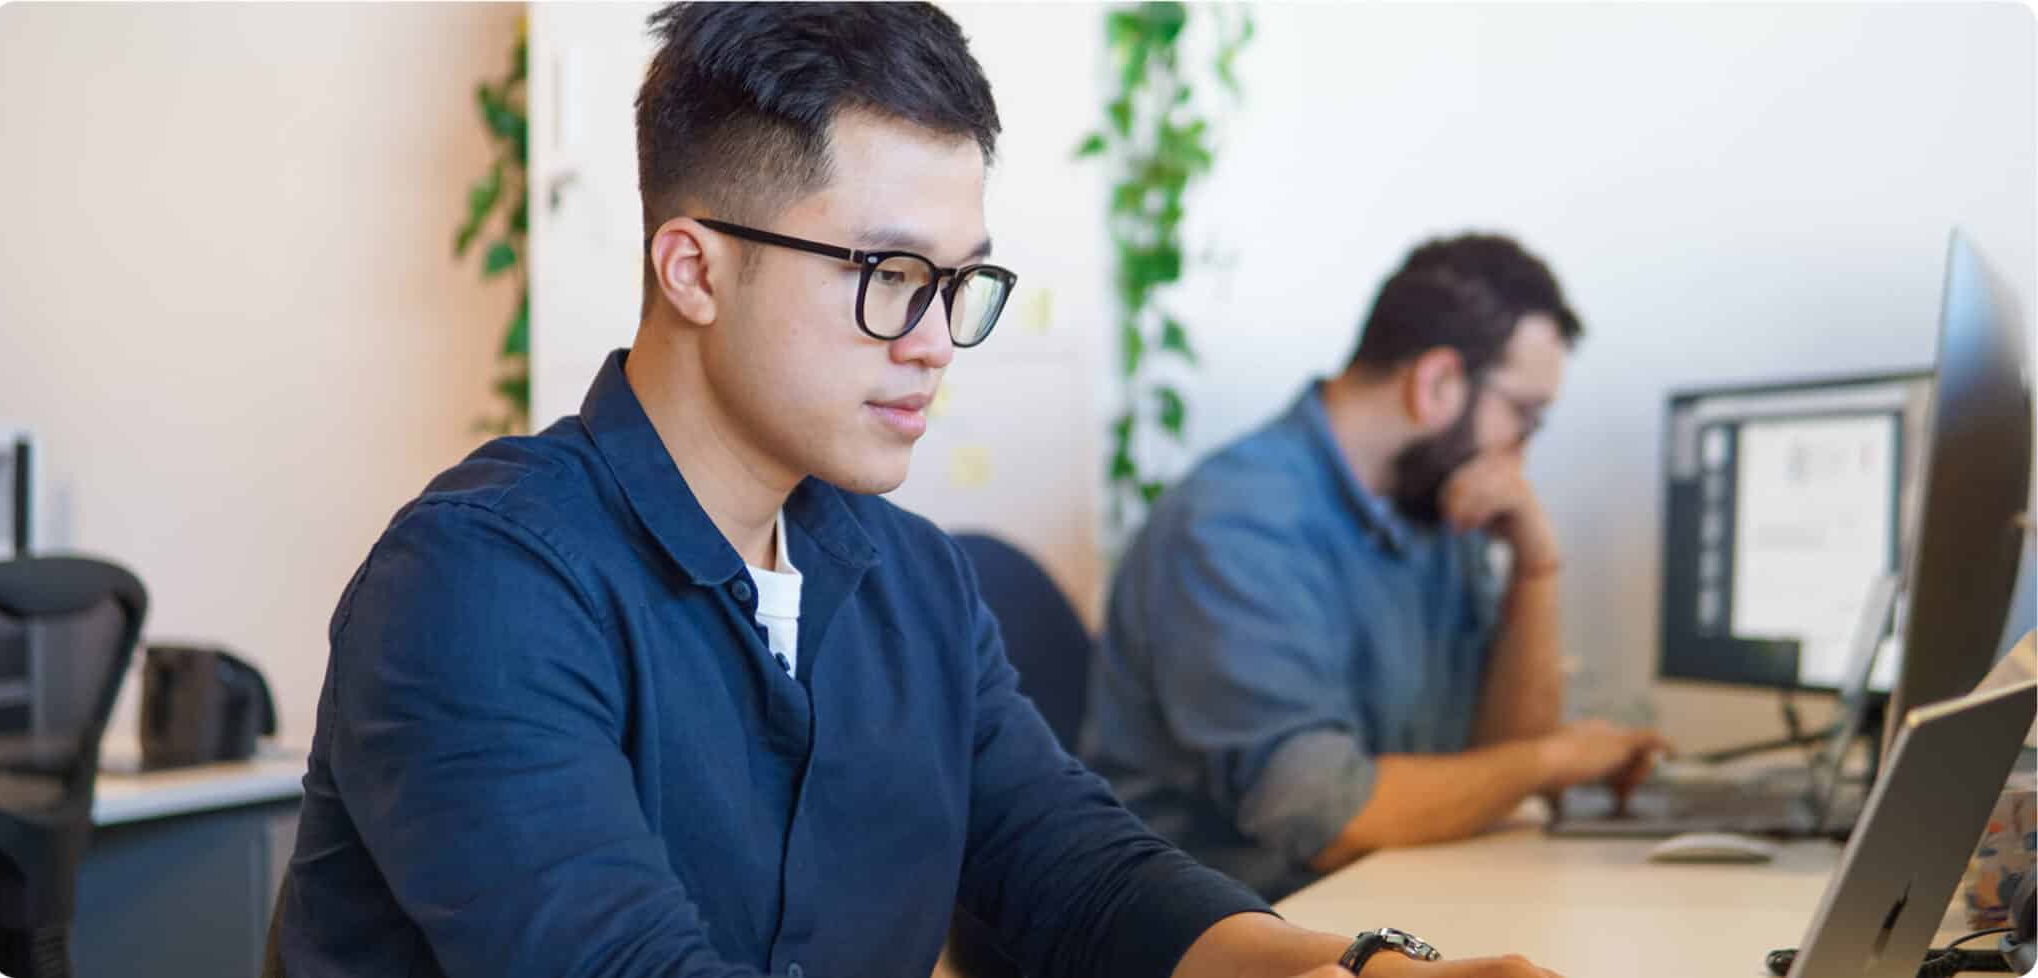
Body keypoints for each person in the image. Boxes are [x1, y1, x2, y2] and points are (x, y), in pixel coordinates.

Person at [277, 5, 1569, 976]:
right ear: (694, 268)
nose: (938, 339)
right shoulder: (481, 585)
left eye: (960, 283)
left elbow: (1080, 871)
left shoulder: (907, 576)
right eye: (890, 273)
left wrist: (1358, 969)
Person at [1082, 235, 1670, 901]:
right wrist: (1555, 759)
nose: (1521, 453)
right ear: (1437, 383)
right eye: (1525, 416)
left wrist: (1537, 567)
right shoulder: (1236, 524)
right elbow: (1325, 816)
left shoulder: (1433, 498)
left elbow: (1497, 760)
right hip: (1239, 929)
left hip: (1382, 900)